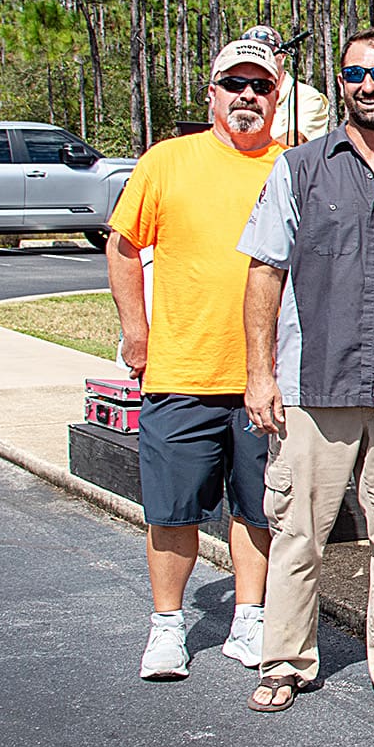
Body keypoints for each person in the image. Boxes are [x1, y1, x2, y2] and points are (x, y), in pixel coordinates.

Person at [239, 29, 374, 714]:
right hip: (314, 382)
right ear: (341, 81)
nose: (368, 85)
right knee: (298, 533)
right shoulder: (299, 168)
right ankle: (284, 660)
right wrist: (259, 374)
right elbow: (264, 272)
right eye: (356, 73)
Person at [108, 38, 286, 681]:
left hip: (265, 377)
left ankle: (249, 618)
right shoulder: (167, 161)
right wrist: (136, 332)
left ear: (277, 96)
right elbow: (124, 248)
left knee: (257, 508)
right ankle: (166, 626)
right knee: (172, 511)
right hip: (182, 369)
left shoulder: (292, 166)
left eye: (260, 86)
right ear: (211, 93)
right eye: (234, 84)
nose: (247, 96)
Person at [243, 24, 332, 147]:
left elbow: (296, 140)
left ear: (283, 56)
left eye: (266, 54)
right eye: (249, 56)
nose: (258, 61)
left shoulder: (308, 97)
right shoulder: (240, 96)